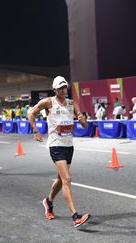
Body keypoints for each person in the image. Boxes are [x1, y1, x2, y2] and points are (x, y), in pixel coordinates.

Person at [28, 76, 91, 228]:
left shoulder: (71, 103)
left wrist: (82, 119)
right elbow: (31, 113)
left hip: (69, 145)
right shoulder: (48, 102)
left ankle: (48, 201)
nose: (64, 90)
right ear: (54, 89)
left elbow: (84, 125)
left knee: (61, 179)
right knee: (67, 179)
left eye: (65, 87)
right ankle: (75, 216)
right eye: (61, 88)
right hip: (56, 145)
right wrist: (36, 131)